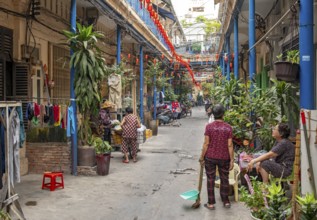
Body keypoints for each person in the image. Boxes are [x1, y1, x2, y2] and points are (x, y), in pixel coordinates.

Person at [199, 104, 234, 210]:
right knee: (225, 178)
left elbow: (206, 144)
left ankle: (210, 203)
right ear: (223, 114)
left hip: (210, 157)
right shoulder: (228, 128)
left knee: (210, 179)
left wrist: (201, 157)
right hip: (224, 157)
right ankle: (226, 201)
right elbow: (230, 145)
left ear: (213, 114)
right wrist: (232, 159)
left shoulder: (209, 127)